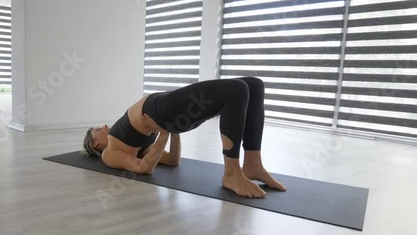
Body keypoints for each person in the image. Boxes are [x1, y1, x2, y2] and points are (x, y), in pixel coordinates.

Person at [81, 77, 286, 198]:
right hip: (163, 112)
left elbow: (172, 160)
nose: (105, 126)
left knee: (254, 85)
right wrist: (163, 131)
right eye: (98, 129)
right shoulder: (109, 153)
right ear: (95, 142)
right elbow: (143, 168)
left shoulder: (139, 147)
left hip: (169, 112)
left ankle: (252, 164)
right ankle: (232, 173)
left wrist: (170, 131)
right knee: (238, 89)